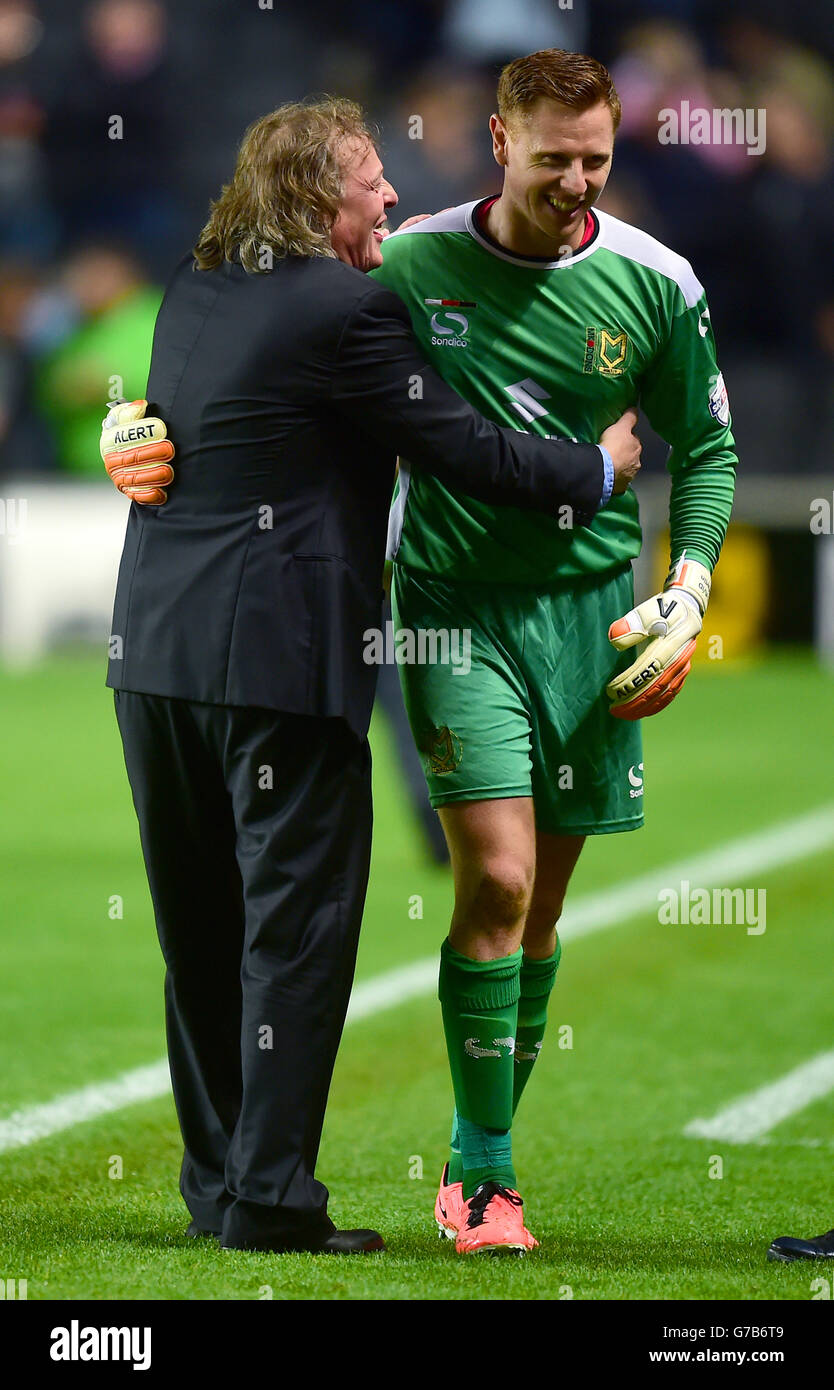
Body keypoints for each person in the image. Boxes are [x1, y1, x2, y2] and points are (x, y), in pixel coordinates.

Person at [99, 96, 641, 1256]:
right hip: (279, 667)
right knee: (293, 935)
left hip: (152, 657)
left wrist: (120, 434)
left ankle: (221, 1190)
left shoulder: (194, 288)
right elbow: (465, 446)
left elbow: (160, 427)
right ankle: (275, 1204)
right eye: (369, 180)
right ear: (312, 197)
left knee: (199, 934)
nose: (391, 195)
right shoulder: (353, 309)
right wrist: (595, 466)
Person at [370, 48, 737, 1254]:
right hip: (452, 606)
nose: (575, 180)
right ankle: (485, 1175)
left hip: (593, 618)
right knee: (501, 879)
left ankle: (479, 1156)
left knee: (543, 913)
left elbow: (709, 448)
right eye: (551, 157)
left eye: (595, 159)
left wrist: (687, 590)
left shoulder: (656, 280)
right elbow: (303, 357)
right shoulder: (417, 259)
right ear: (498, 142)